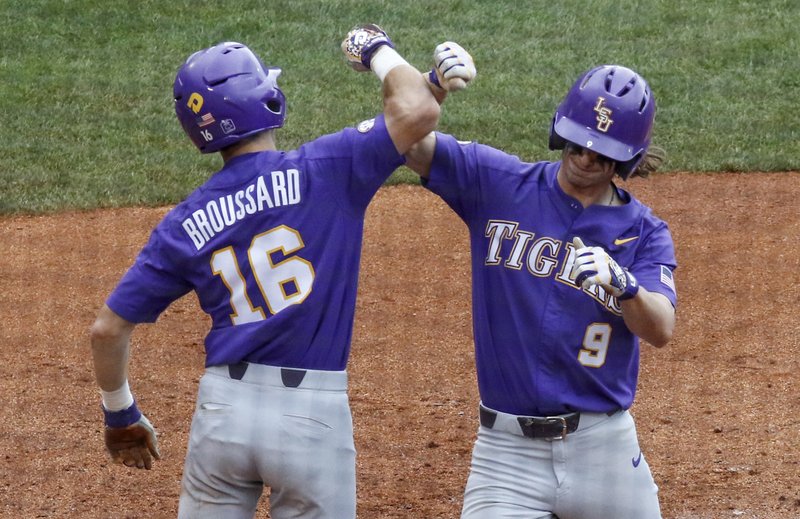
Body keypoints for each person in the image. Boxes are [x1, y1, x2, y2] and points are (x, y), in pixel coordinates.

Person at [89, 26, 474, 518]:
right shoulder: (328, 169)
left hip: (223, 413)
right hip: (310, 418)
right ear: (265, 98)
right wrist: (377, 50)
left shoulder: (182, 224)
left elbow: (107, 330)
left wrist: (120, 413)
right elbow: (415, 115)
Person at [400, 62, 677, 518]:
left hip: (603, 449)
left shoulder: (646, 233)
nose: (585, 157)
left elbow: (661, 327)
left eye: (601, 152)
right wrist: (433, 87)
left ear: (626, 158)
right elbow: (405, 141)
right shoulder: (498, 184)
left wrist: (627, 287)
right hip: (505, 455)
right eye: (578, 142)